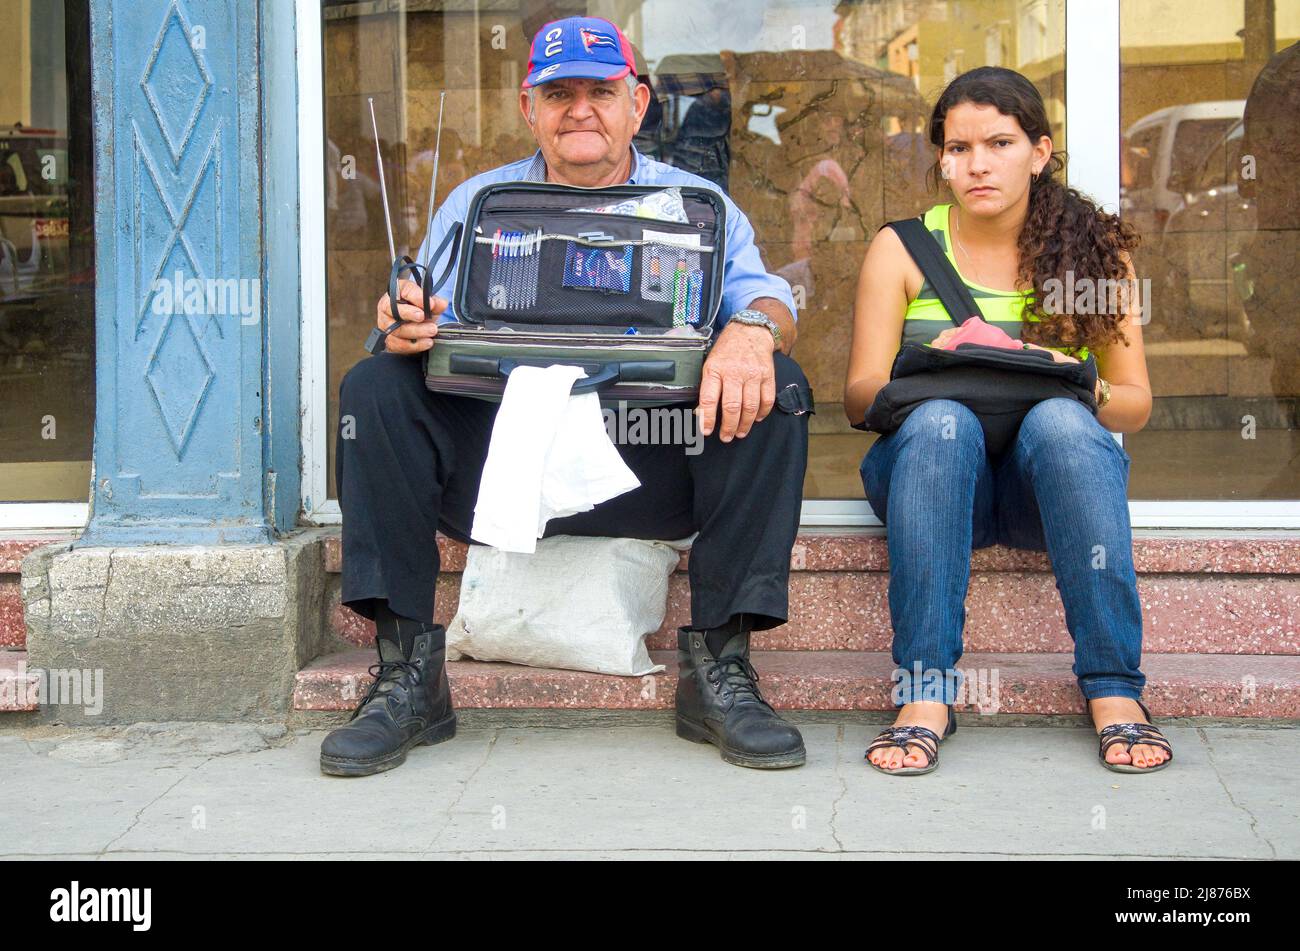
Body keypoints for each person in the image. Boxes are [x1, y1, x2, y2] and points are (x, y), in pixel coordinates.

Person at [321, 16, 814, 776]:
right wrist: (403, 323)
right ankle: (407, 675)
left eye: (600, 91)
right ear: (530, 109)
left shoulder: (698, 204)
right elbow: (413, 317)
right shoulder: (479, 203)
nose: (580, 109)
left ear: (637, 104)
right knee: (375, 387)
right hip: (505, 471)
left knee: (777, 386)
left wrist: (750, 327)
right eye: (559, 94)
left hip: (652, 465)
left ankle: (721, 670)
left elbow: (771, 299)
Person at [844, 66, 1174, 776]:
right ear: (941, 158)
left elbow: (1135, 401)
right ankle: (925, 692)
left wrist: (1054, 369)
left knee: (1060, 420)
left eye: (999, 142)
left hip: (1040, 492)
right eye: (958, 148)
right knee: (940, 422)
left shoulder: (1093, 255)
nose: (978, 164)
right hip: (932, 476)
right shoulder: (900, 248)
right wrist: (941, 368)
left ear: (1040, 151)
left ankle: (1115, 687)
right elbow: (860, 396)